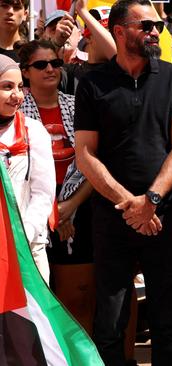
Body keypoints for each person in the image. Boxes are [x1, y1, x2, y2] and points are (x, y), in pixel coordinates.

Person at [74, 0, 172, 364]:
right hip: (113, 219)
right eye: (146, 26)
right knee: (110, 321)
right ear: (119, 30)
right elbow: (86, 154)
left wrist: (151, 201)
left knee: (167, 320)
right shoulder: (93, 83)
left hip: (166, 217)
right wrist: (130, 203)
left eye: (157, 25)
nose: (155, 31)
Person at [18, 39, 95, 332]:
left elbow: (94, 161)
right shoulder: (14, 111)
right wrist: (53, 210)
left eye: (55, 63)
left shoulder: (78, 105)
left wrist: (70, 206)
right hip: (31, 212)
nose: (50, 69)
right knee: (38, 300)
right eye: (40, 65)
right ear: (25, 72)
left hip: (79, 207)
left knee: (79, 298)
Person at [0, 53, 55, 283]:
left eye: (20, 87)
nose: (17, 95)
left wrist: (22, 235)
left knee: (29, 320)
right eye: (7, 87)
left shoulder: (33, 131)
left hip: (27, 251)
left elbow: (43, 194)